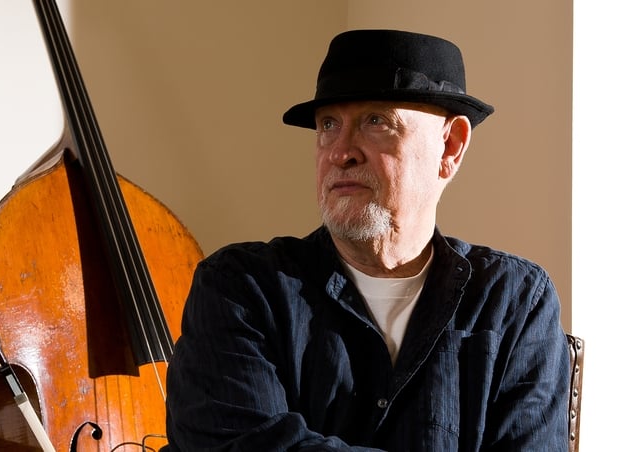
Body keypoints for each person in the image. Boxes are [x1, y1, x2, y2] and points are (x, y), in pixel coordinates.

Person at [163, 29, 570, 451]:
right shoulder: (240, 288)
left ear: (450, 146)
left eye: (376, 121)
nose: (341, 152)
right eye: (328, 125)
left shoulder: (515, 301)